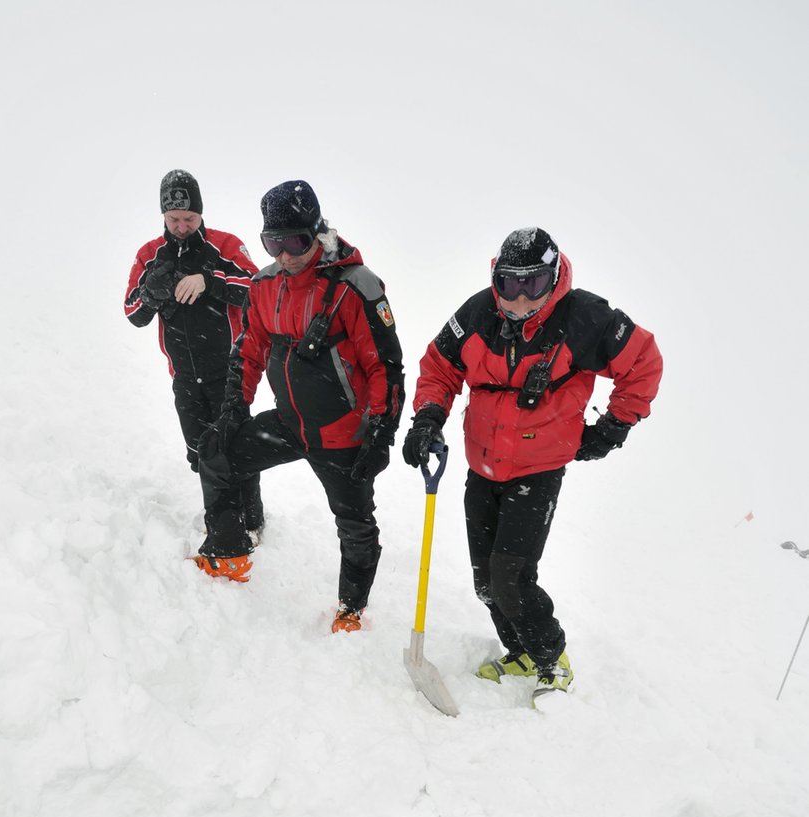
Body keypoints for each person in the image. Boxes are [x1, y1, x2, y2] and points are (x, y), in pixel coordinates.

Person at [403, 227, 663, 693]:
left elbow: (643, 361)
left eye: (533, 284)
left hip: (537, 470)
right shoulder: (478, 313)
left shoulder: (583, 316)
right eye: (509, 283)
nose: (520, 298)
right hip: (482, 466)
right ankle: (521, 652)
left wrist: (614, 426)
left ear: (553, 277)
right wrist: (428, 417)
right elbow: (440, 366)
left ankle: (551, 659)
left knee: (510, 578)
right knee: (486, 581)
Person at [192, 180, 405, 633]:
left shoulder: (355, 286)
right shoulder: (266, 284)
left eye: (295, 242)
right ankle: (229, 553)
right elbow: (249, 349)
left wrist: (382, 431)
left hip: (343, 433)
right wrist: (234, 408)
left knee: (355, 524)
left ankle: (351, 608)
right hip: (291, 423)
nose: (285, 255)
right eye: (274, 243)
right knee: (216, 454)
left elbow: (384, 366)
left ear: (316, 233)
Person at [124, 170, 264, 538]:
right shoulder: (149, 255)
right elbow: (133, 313)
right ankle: (221, 525)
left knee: (237, 450)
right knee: (201, 454)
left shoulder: (225, 245)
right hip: (184, 376)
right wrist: (152, 290)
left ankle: (251, 522)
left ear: (201, 213)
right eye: (174, 219)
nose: (182, 226)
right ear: (163, 216)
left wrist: (211, 280)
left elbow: (258, 288)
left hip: (230, 371)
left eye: (189, 218)